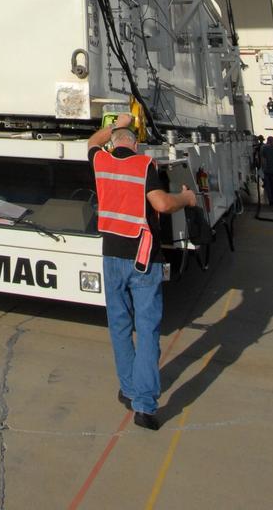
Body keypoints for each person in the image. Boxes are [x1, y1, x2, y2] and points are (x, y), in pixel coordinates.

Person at [88, 114, 196, 431]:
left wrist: (116, 123)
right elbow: (161, 204)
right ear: (136, 144)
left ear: (113, 141)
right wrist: (187, 198)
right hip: (142, 257)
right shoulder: (143, 165)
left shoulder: (101, 162)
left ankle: (129, 388)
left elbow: (93, 142)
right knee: (147, 329)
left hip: (111, 255)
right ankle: (145, 406)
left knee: (119, 325)